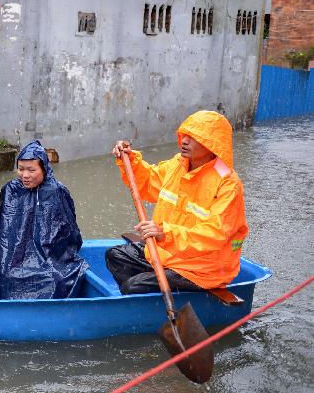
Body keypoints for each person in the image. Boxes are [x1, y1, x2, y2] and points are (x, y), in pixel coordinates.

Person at [105, 110, 248, 294]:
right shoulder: (178, 164)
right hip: (170, 255)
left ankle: (147, 300)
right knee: (115, 256)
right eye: (184, 135)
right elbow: (148, 183)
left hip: (202, 268)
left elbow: (215, 234)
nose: (184, 141)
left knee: (133, 286)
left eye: (193, 137)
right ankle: (153, 296)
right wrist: (129, 160)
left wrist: (165, 234)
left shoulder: (228, 184)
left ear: (212, 144)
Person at [0, 141, 87, 300]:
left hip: (48, 257)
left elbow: (69, 231)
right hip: (15, 256)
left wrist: (53, 255)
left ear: (44, 169)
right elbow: (0, 225)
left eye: (31, 170)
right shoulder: (10, 189)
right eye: (21, 169)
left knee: (54, 279)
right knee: (6, 274)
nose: (25, 175)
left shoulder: (57, 191)